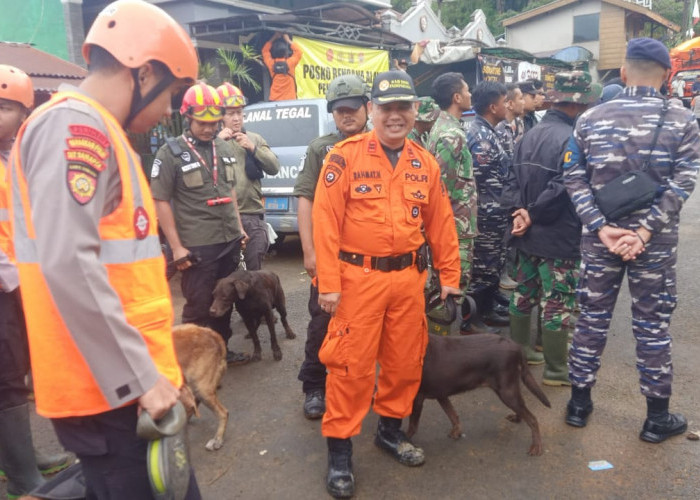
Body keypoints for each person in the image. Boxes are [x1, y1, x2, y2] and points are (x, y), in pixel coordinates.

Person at [8, 1, 202, 497]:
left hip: (121, 384)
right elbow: (68, 263)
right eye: (174, 92)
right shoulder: (78, 129)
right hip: (111, 391)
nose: (172, 109)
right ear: (146, 72)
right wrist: (142, 379)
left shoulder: (97, 130)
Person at [313, 70, 460, 498]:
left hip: (408, 282)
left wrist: (449, 277)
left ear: (416, 111)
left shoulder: (424, 162)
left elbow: (442, 224)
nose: (395, 116)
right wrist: (328, 282)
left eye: (403, 108)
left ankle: (390, 432)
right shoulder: (344, 157)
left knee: (404, 362)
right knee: (350, 367)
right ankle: (340, 453)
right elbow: (325, 222)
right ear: (371, 111)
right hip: (357, 282)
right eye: (386, 108)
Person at [562, 38, 699, 443]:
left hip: (599, 240)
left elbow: (572, 176)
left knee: (590, 319)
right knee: (652, 325)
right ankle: (656, 419)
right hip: (652, 246)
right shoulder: (683, 120)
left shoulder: (589, 119)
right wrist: (644, 231)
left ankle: (578, 406)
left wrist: (600, 226)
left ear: (623, 74)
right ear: (667, 75)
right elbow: (684, 182)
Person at [0, 64, 70, 498]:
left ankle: (20, 457)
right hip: (3, 284)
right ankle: (23, 477)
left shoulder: (12, 158)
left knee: (18, 372)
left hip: (17, 281)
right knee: (6, 378)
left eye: (7, 107)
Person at [501, 71, 601, 374]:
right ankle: (557, 369)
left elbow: (511, 180)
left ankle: (522, 354)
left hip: (526, 234)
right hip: (557, 235)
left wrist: (520, 211)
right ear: (577, 105)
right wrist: (532, 212)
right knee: (558, 300)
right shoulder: (572, 139)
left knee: (524, 292)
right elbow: (563, 186)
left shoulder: (526, 136)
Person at [151, 81, 250, 366]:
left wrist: (239, 227)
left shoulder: (224, 146)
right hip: (197, 245)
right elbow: (160, 200)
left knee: (225, 300)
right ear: (188, 118)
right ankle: (193, 362)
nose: (208, 129)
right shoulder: (170, 153)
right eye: (202, 123)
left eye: (213, 122)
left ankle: (220, 352)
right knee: (198, 305)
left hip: (228, 240)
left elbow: (230, 190)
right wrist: (176, 246)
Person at [293, 74, 370, 421]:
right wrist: (309, 251)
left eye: (353, 109)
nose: (347, 116)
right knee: (322, 323)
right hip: (331, 256)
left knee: (369, 325)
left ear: (367, 108)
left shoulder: (382, 144)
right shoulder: (320, 149)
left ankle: (361, 383)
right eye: (340, 111)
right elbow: (305, 200)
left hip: (371, 258)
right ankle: (315, 386)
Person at [425, 73, 486, 335]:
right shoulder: (451, 135)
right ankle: (437, 351)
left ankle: (437, 348)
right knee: (449, 290)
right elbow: (442, 192)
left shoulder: (448, 128)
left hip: (455, 226)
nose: (471, 94)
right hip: (454, 229)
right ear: (457, 97)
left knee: (444, 288)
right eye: (467, 90)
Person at [217, 82, 279, 271]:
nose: (236, 119)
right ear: (219, 115)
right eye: (230, 113)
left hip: (252, 216)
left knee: (253, 279)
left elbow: (274, 167)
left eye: (239, 113)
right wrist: (217, 143)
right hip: (222, 220)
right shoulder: (212, 142)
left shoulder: (254, 138)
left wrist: (252, 147)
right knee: (224, 280)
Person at [466, 81, 510, 328]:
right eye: (504, 102)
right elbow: (479, 179)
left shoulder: (488, 131)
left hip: (495, 213)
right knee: (482, 267)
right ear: (493, 106)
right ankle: (471, 319)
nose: (507, 106)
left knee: (492, 265)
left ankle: (487, 310)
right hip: (485, 213)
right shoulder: (481, 137)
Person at [262, 32, 302, 101]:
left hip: (274, 99)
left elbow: (264, 50)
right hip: (290, 99)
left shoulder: (271, 64)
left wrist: (274, 37)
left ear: (274, 53)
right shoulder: (290, 63)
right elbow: (299, 51)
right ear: (286, 53)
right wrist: (288, 40)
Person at [495, 83, 525, 163]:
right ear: (510, 104)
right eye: (521, 98)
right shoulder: (499, 129)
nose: (524, 102)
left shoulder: (518, 123)